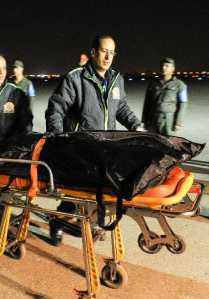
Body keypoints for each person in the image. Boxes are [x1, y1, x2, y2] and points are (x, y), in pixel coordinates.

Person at [45, 35, 143, 245]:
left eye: (112, 52)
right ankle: (60, 221)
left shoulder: (117, 80)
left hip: (106, 147)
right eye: (103, 51)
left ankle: (92, 224)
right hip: (81, 147)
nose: (108, 57)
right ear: (93, 52)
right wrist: (56, 135)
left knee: (99, 190)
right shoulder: (75, 78)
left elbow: (122, 108)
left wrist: (136, 125)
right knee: (78, 193)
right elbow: (57, 107)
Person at [141, 58, 188, 135]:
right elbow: (147, 103)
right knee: (152, 143)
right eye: (162, 66)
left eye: (167, 66)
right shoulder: (153, 84)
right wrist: (145, 121)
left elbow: (183, 104)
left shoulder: (180, 85)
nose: (164, 68)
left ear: (173, 69)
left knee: (168, 143)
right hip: (153, 120)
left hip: (169, 121)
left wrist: (178, 122)